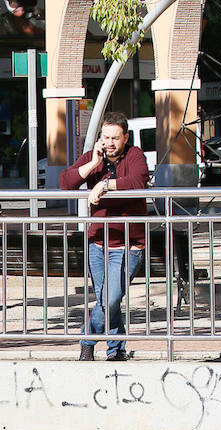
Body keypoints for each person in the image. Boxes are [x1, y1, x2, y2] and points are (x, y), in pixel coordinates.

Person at [60, 111, 149, 362]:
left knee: (109, 299)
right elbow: (66, 182)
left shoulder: (135, 155)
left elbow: (138, 182)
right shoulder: (94, 157)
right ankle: (116, 350)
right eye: (106, 137)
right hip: (97, 244)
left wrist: (105, 184)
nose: (110, 143)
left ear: (125, 138)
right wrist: (92, 165)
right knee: (106, 300)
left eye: (115, 138)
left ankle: (87, 341)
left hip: (127, 246)